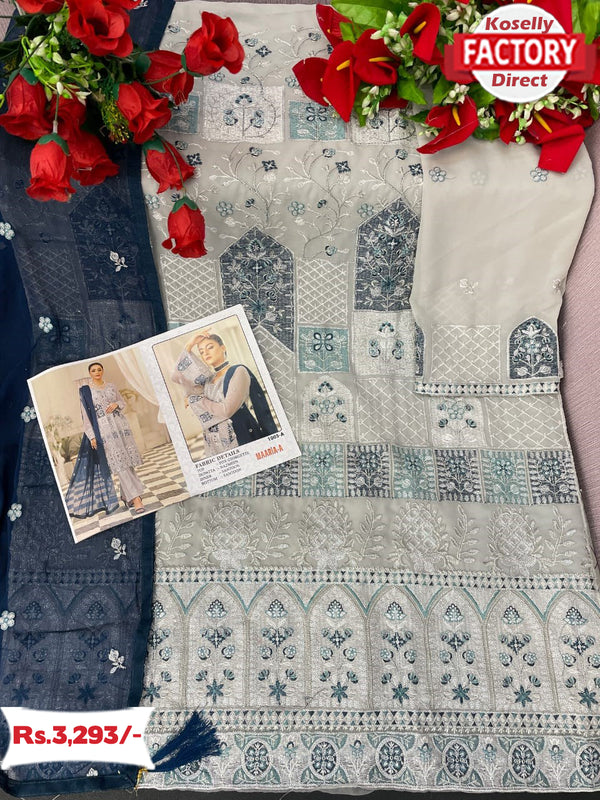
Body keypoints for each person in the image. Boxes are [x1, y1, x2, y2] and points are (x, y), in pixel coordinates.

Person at [171, 331, 278, 456]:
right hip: (215, 443)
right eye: (201, 351)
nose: (206, 353)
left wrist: (194, 400)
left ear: (223, 348)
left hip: (240, 436)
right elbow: (176, 376)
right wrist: (190, 344)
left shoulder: (238, 371)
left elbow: (226, 411)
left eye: (210, 347)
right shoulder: (207, 380)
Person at [65, 362, 146, 517]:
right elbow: (85, 416)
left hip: (120, 426)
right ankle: (136, 499)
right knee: (119, 463)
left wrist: (116, 404)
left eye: (99, 369)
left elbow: (122, 402)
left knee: (127, 462)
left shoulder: (111, 386)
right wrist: (92, 436)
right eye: (93, 370)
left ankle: (126, 496)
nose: (97, 372)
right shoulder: (86, 391)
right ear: (90, 373)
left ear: (102, 371)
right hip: (104, 430)